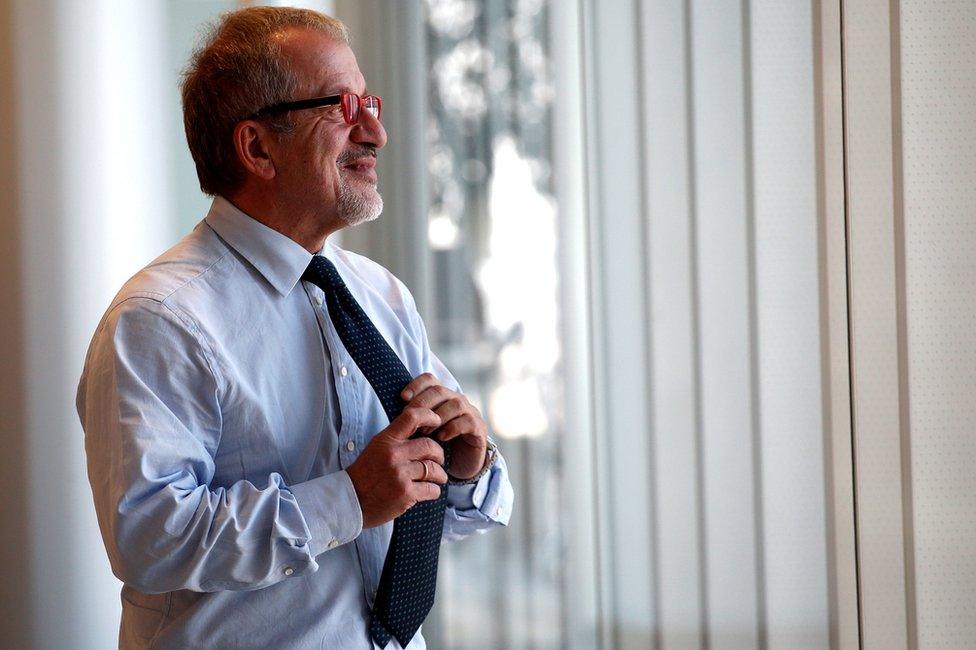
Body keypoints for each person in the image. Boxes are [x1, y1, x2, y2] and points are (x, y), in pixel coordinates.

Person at [75, 7, 513, 649]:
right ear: (257, 148)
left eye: (370, 102)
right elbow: (151, 540)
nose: (376, 133)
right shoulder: (159, 319)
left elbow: (422, 504)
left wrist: (463, 464)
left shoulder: (379, 295)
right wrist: (347, 500)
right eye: (343, 106)